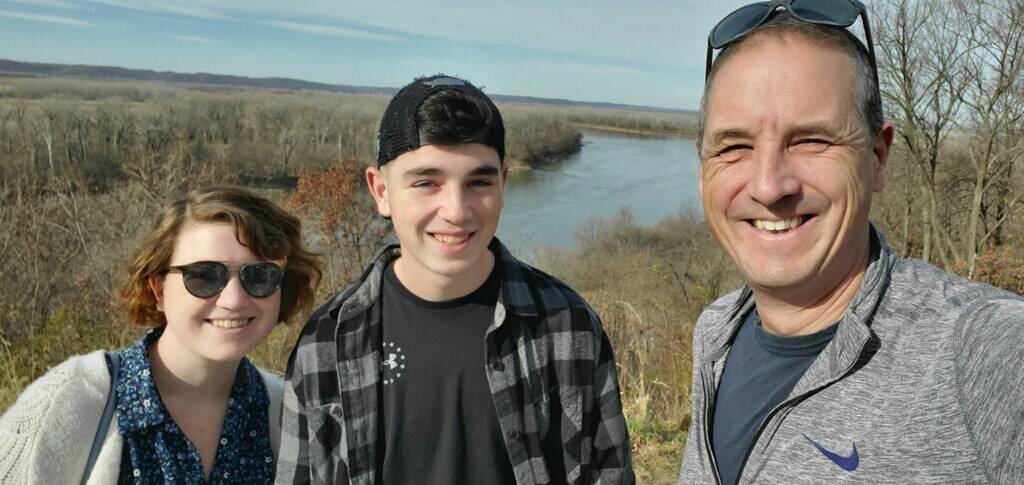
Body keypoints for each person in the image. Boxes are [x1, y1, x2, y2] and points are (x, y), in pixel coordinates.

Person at [678, 2, 1024, 484]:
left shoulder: (981, 352)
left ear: (878, 157)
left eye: (811, 141)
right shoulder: (714, 335)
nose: (769, 186)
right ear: (702, 171)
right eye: (734, 147)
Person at [277, 74, 634, 485]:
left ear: (504, 182)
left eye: (479, 182)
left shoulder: (566, 325)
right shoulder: (326, 344)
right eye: (427, 182)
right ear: (381, 191)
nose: (457, 211)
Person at [0, 186, 321, 484]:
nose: (234, 299)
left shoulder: (288, 414)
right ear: (159, 289)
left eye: (261, 275)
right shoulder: (72, 402)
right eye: (205, 276)